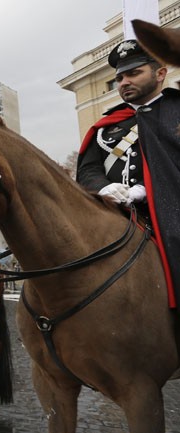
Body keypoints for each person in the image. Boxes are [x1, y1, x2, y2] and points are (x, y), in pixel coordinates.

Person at [77, 39, 180, 311]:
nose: (124, 82)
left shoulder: (176, 112)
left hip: (169, 214)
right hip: (111, 212)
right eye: (120, 77)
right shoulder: (107, 125)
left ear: (160, 74)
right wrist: (104, 188)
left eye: (134, 73)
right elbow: (88, 169)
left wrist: (147, 189)